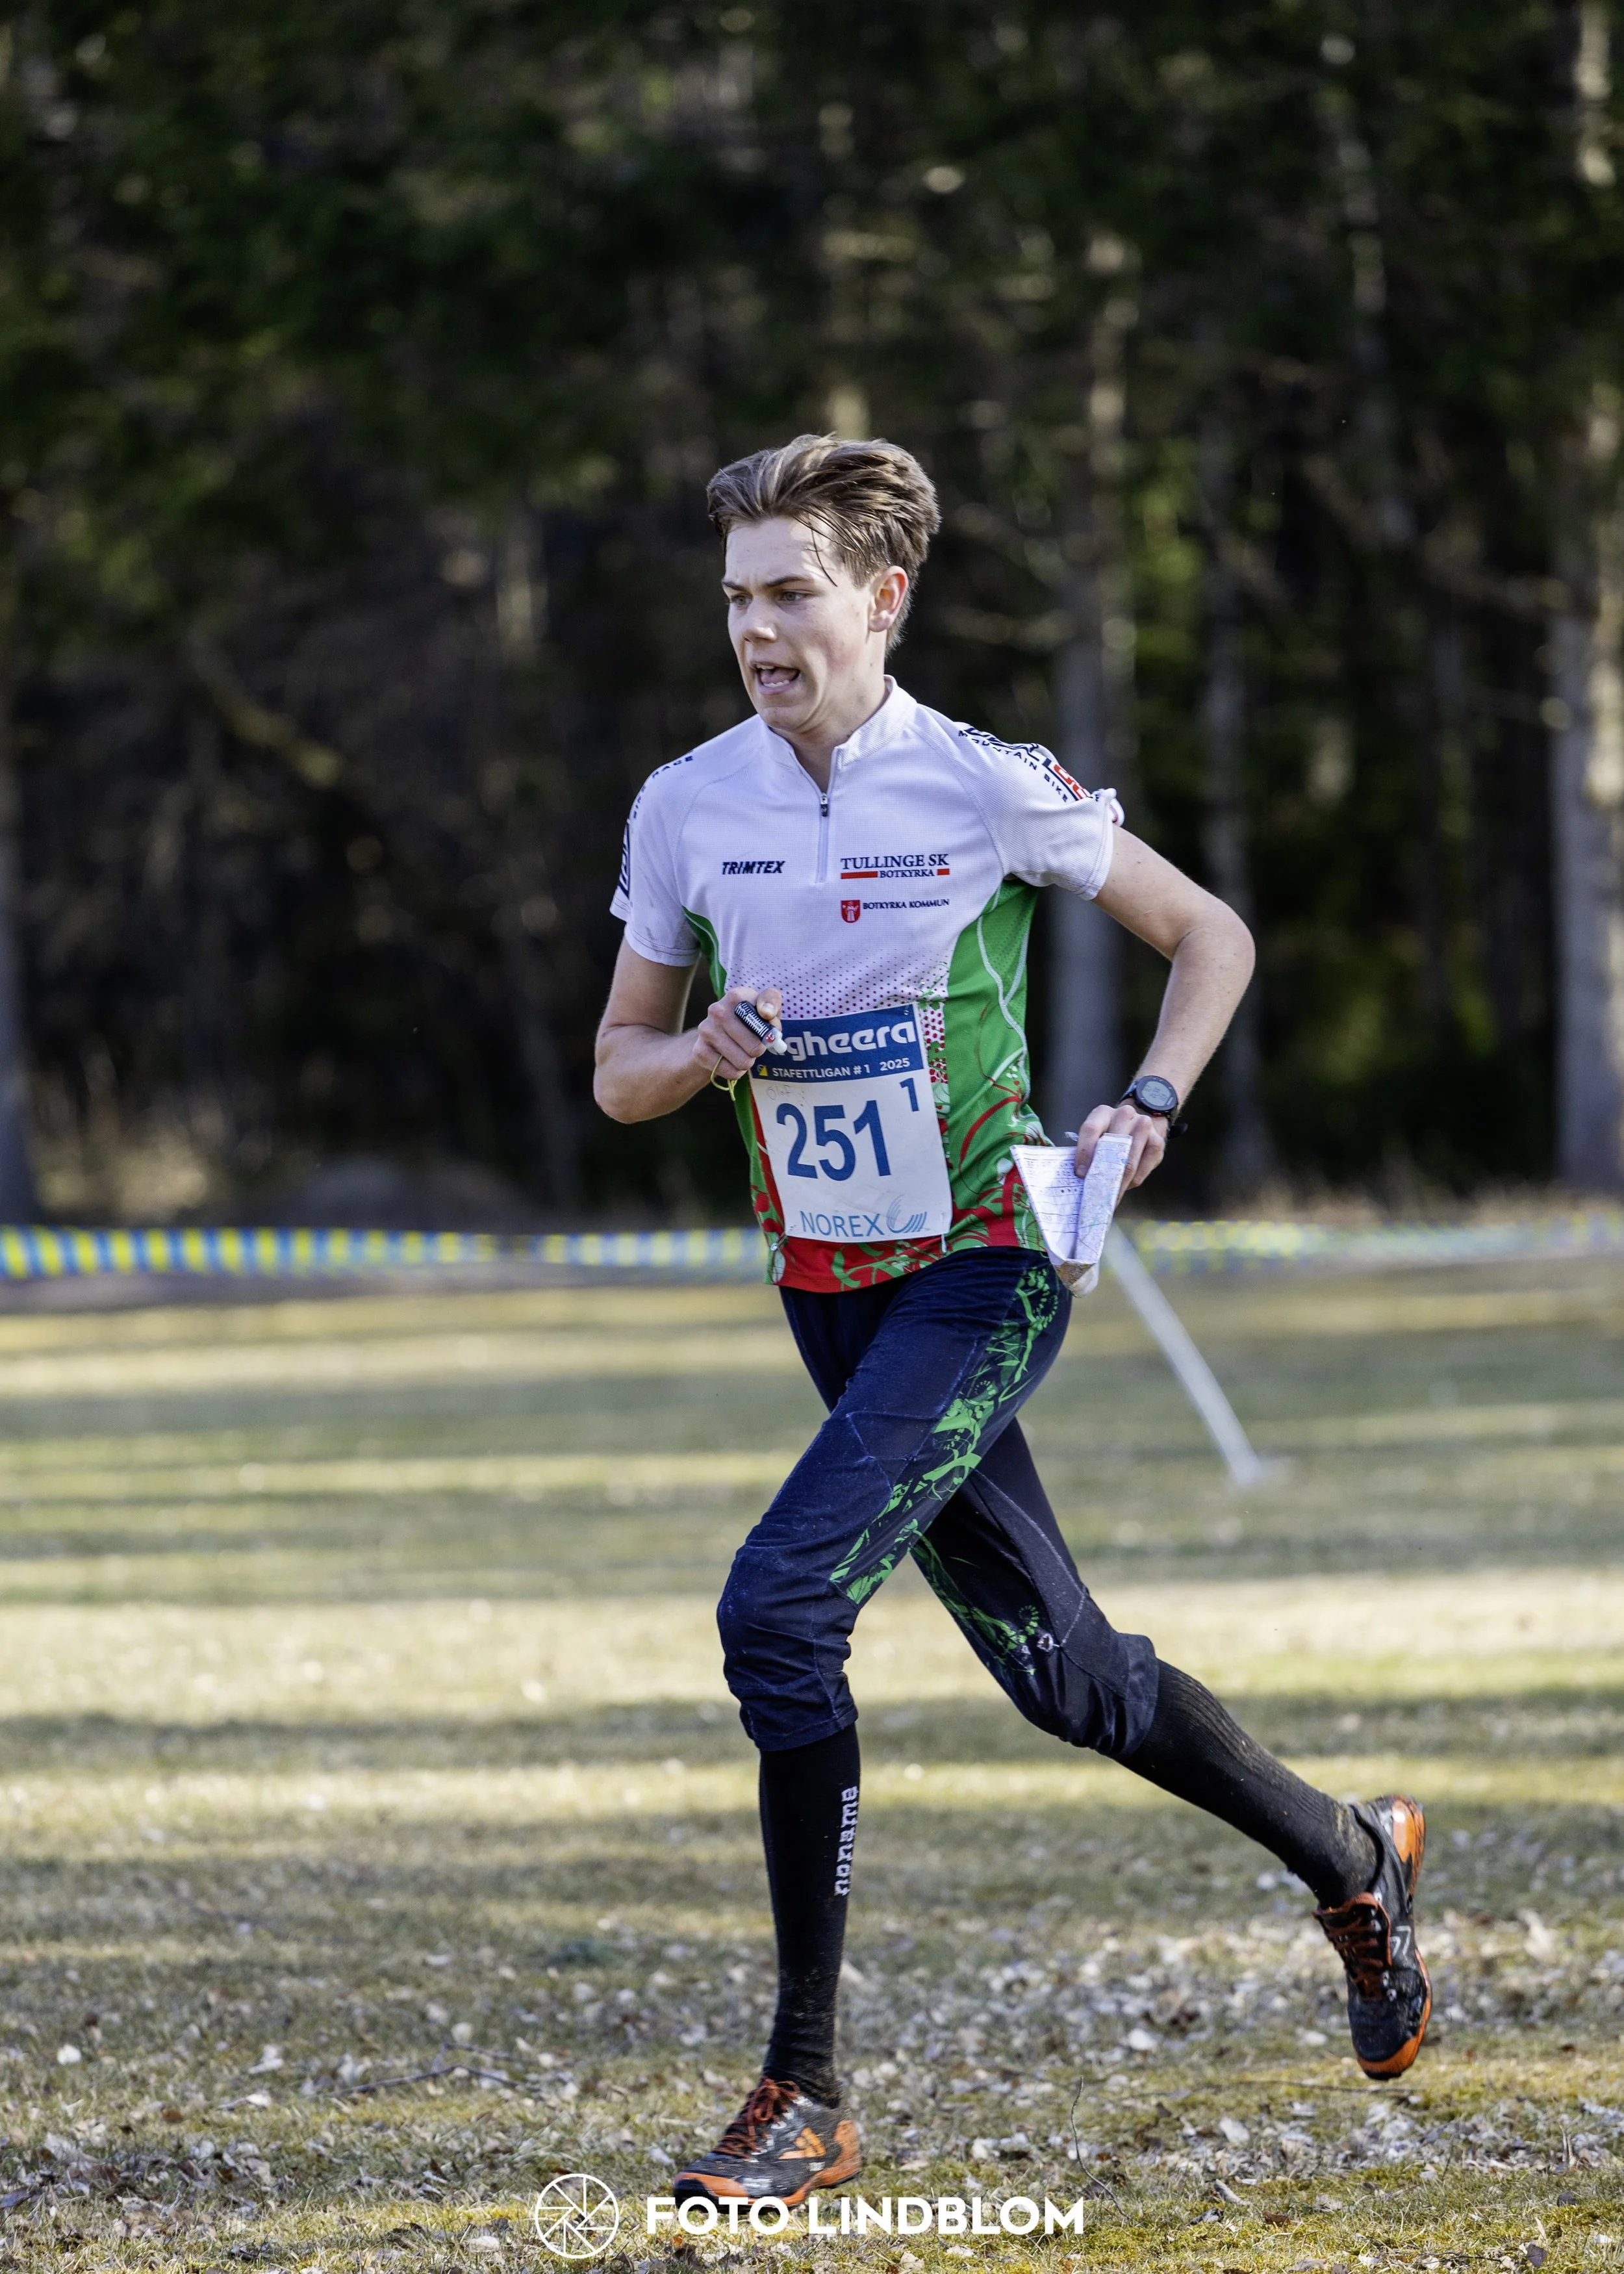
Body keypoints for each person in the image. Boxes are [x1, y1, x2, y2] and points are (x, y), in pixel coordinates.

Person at [594, 433, 1428, 2210]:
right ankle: (1349, 1850)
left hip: (988, 1265)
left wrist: (1147, 1101)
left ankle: (801, 2092)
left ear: (879, 600)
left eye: (789, 592)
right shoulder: (685, 803)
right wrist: (702, 1053)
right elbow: (618, 1072)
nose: (755, 627)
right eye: (735, 596)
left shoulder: (975, 782)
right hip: (829, 1286)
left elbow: (1209, 935)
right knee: (1066, 1678)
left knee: (776, 1608)